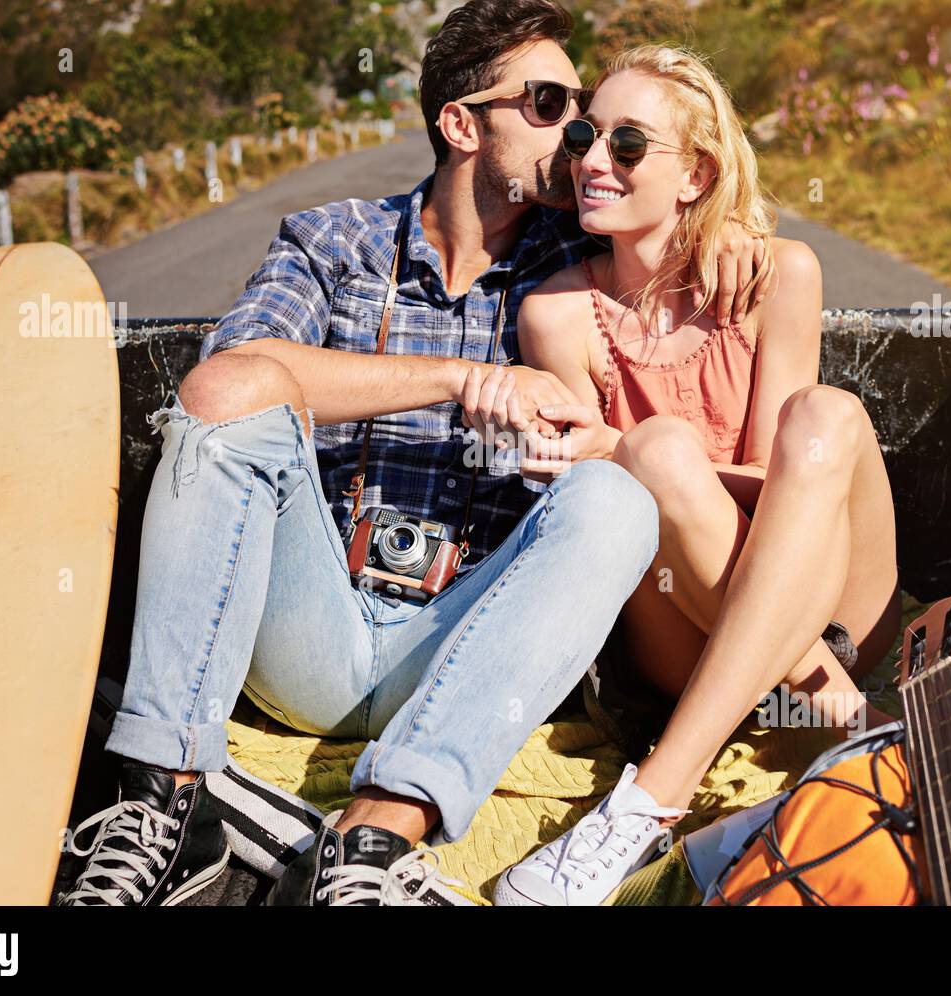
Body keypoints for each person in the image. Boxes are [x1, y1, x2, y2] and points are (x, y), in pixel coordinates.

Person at [59, 2, 766, 907]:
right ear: (462, 123)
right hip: (307, 625)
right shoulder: (333, 241)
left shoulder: (580, 258)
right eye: (549, 104)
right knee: (225, 399)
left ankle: (370, 844)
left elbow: (679, 210)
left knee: (615, 498)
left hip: (470, 641)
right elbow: (232, 375)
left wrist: (727, 231)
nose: (582, 137)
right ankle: (165, 804)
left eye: (584, 110)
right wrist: (453, 377)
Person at [486, 45, 902, 906]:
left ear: (695, 174)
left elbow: (788, 480)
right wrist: (630, 458)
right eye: (585, 137)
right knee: (656, 451)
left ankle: (645, 800)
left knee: (825, 416)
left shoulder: (779, 275)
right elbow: (594, 504)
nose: (594, 161)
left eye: (629, 145)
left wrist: (622, 450)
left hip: (830, 604)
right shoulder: (557, 313)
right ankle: (831, 716)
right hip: (683, 628)